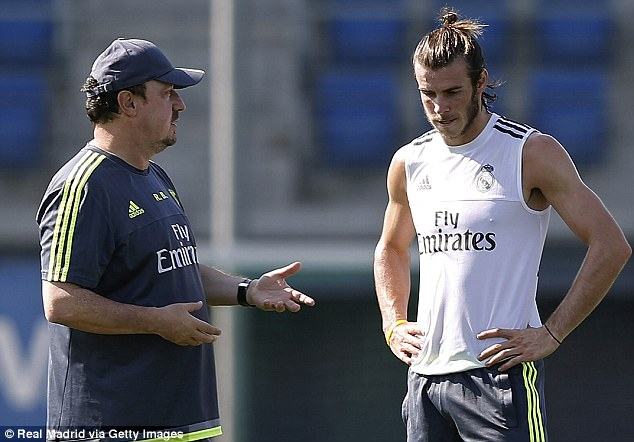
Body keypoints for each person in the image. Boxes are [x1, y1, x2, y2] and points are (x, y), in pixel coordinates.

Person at [36, 38, 315, 441]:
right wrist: (155, 322)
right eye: (167, 93)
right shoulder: (85, 185)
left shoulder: (154, 176)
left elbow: (172, 268)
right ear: (128, 103)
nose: (180, 105)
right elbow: (60, 301)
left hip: (179, 422)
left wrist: (247, 290)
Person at [374, 10, 631, 442]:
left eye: (452, 92)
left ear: (480, 83)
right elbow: (391, 248)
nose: (440, 108)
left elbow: (611, 245)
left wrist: (552, 333)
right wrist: (394, 323)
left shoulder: (529, 153)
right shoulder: (409, 161)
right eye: (428, 94)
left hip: (498, 377)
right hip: (425, 380)